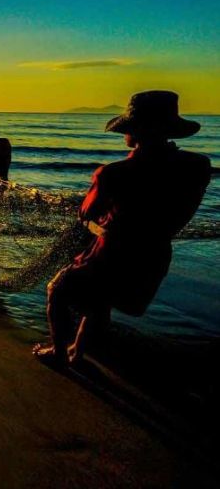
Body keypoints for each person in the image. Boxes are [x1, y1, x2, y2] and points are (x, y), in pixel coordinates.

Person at [34, 91, 212, 366]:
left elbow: (86, 213)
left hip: (110, 253)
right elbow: (182, 211)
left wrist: (101, 224)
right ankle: (77, 352)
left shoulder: (113, 173)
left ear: (137, 131)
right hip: (154, 254)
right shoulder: (198, 166)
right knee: (100, 302)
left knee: (57, 291)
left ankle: (58, 352)